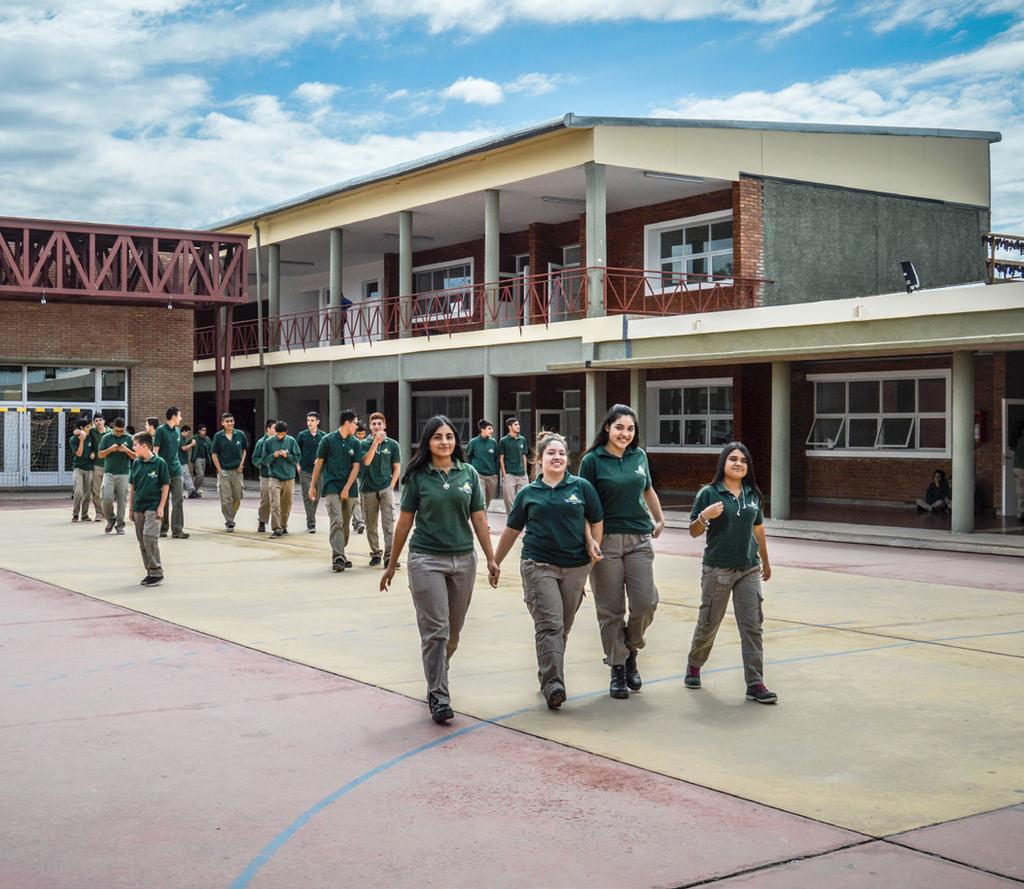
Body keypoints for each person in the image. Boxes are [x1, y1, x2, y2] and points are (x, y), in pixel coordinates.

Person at [380, 415, 499, 724]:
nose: (444, 442)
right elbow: (404, 522)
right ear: (427, 442)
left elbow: (480, 520)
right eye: (437, 437)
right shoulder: (418, 477)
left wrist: (491, 558)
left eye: (449, 436)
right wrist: (392, 564)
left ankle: (436, 676)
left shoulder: (469, 474)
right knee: (437, 632)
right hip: (425, 560)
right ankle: (439, 695)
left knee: (453, 635)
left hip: (463, 560)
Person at [494, 434, 603, 710]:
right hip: (538, 564)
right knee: (550, 624)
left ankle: (547, 672)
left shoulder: (582, 488)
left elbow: (595, 519)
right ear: (539, 460)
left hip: (576, 566)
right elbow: (512, 530)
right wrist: (495, 561)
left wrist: (593, 544)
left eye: (562, 454)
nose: (557, 458)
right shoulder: (528, 493)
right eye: (551, 453)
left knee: (562, 627)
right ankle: (555, 683)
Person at [578, 404, 665, 700]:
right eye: (619, 428)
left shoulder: (638, 456)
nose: (625, 434)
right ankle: (617, 666)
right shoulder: (591, 460)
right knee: (610, 608)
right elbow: (583, 504)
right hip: (606, 540)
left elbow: (647, 489)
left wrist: (660, 517)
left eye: (630, 429)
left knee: (646, 602)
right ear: (607, 428)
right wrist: (589, 540)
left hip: (639, 538)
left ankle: (630, 647)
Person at [684, 441, 777, 704]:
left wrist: (766, 562)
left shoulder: (753, 494)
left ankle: (755, 682)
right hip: (718, 568)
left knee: (752, 626)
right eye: (733, 459)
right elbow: (693, 531)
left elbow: (758, 530)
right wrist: (704, 516)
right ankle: (694, 664)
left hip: (748, 568)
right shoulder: (709, 493)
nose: (738, 463)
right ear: (723, 463)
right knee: (709, 622)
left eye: (743, 460)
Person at [308, 409, 363, 572]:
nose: (357, 427)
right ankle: (338, 557)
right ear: (347, 423)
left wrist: (346, 488)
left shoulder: (355, 443)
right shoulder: (328, 440)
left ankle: (341, 552)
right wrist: (312, 486)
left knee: (345, 524)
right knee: (337, 520)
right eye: (355, 423)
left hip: (350, 488)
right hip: (331, 486)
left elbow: (356, 467)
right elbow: (318, 464)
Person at [128, 432, 170, 588]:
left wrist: (161, 507)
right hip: (139, 506)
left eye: (135, 445)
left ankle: (157, 572)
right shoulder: (136, 463)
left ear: (144, 446)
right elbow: (132, 486)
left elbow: (166, 485)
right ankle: (150, 572)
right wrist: (131, 508)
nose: (133, 448)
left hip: (153, 507)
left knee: (149, 538)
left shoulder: (160, 463)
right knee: (142, 542)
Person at [359, 412, 401, 567]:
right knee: (370, 524)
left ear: (384, 425)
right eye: (374, 424)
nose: (377, 426)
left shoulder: (392, 444)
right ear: (370, 426)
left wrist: (391, 485)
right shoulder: (363, 444)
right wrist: (375, 443)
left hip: (385, 489)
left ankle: (390, 556)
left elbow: (397, 467)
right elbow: (366, 462)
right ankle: (375, 553)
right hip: (368, 488)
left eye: (379, 423)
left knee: (389, 523)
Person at [153, 406, 188, 540]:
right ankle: (163, 528)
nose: (180, 418)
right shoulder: (161, 430)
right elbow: (156, 450)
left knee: (178, 499)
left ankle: (177, 529)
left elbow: (178, 450)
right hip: (163, 470)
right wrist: (155, 469)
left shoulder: (178, 431)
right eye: (179, 415)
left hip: (176, 469)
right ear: (173, 416)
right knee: (164, 500)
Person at [97, 416, 135, 535]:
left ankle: (120, 525)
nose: (119, 433)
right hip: (109, 473)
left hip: (124, 473)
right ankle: (110, 519)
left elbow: (136, 456)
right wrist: (110, 449)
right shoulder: (106, 438)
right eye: (117, 430)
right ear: (113, 428)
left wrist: (127, 451)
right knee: (106, 498)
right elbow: (100, 455)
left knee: (122, 501)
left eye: (121, 430)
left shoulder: (130, 438)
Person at [210, 412, 248, 531]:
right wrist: (220, 470)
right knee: (226, 498)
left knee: (238, 497)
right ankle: (229, 521)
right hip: (224, 471)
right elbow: (214, 454)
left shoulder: (240, 435)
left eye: (231, 421)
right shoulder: (218, 436)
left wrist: (242, 464)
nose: (230, 423)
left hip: (237, 471)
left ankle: (231, 516)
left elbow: (244, 450)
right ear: (222, 423)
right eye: (227, 421)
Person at [265, 421, 300, 538]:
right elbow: (265, 460)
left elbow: (297, 458)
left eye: (282, 434)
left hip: (289, 477)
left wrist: (287, 456)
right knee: (275, 503)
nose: (280, 436)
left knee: (287, 504)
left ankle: (283, 525)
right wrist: (273, 456)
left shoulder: (291, 441)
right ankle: (276, 528)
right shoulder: (269, 442)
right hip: (275, 477)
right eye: (278, 434)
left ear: (286, 432)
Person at [296, 411, 326, 533]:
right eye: (308, 420)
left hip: (319, 471)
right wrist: (297, 466)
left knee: (316, 497)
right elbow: (296, 452)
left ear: (318, 422)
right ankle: (311, 523)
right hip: (305, 470)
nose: (309, 423)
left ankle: (311, 517)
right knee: (308, 496)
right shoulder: (302, 435)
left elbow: (326, 453)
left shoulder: (323, 436)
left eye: (312, 420)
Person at [465, 419, 499, 509]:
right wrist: (470, 471)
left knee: (487, 502)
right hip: (479, 475)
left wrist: (496, 474)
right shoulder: (473, 442)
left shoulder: (493, 442)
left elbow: (496, 458)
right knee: (481, 500)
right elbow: (467, 457)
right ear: (482, 430)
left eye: (492, 428)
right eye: (489, 428)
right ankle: (483, 522)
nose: (492, 431)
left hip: (492, 476)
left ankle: (483, 517)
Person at [498, 417, 529, 514]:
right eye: (515, 424)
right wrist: (504, 474)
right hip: (509, 474)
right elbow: (501, 458)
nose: (518, 426)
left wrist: (525, 471)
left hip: (522, 475)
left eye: (518, 424)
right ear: (509, 427)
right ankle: (511, 522)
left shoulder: (522, 439)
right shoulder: (504, 441)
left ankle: (522, 520)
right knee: (509, 501)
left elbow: (524, 456)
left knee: (524, 498)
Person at [251, 418, 276, 533]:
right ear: (268, 429)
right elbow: (255, 459)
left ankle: (278, 525)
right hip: (266, 475)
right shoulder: (261, 443)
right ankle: (262, 520)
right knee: (265, 500)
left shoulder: (279, 441)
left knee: (277, 501)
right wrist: (263, 463)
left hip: (278, 475)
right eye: (274, 428)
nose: (276, 431)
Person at [69, 418, 95, 522]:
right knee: (78, 492)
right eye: (87, 427)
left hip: (89, 469)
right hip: (78, 468)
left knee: (87, 494)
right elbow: (79, 453)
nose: (90, 428)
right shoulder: (73, 439)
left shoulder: (92, 435)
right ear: (81, 428)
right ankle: (75, 514)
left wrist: (93, 453)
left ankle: (84, 515)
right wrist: (81, 440)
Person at [88, 414, 107, 522]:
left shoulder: (111, 432)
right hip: (96, 465)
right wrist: (91, 452)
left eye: (100, 420)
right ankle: (99, 513)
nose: (98, 422)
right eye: (96, 420)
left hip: (109, 466)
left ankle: (107, 512)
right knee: (96, 491)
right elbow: (84, 436)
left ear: (104, 421)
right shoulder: (92, 431)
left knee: (107, 492)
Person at [351, 423, 368, 535]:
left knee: (364, 501)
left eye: (362, 434)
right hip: (355, 475)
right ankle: (359, 522)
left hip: (365, 475)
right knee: (356, 500)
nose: (361, 436)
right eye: (358, 434)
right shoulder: (352, 442)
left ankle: (356, 521)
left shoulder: (368, 443)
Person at [191, 424, 211, 496]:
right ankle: (192, 489)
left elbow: (211, 447)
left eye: (205, 430)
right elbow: (187, 444)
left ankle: (195, 490)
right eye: (202, 430)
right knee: (200, 475)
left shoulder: (207, 439)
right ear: (199, 431)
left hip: (204, 458)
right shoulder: (195, 437)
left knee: (201, 477)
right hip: (197, 458)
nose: (204, 432)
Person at [178, 425, 197, 497]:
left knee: (185, 476)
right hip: (181, 461)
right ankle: (191, 491)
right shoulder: (180, 438)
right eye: (188, 432)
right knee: (185, 476)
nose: (188, 434)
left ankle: (190, 491)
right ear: (184, 431)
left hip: (182, 460)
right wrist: (191, 444)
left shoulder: (182, 438)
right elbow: (183, 448)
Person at [1012, 422, 1024, 521]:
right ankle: (1021, 514)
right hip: (1021, 468)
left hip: (1018, 468)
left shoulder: (1019, 440)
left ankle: (1021, 513)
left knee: (1020, 491)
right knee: (1021, 491)